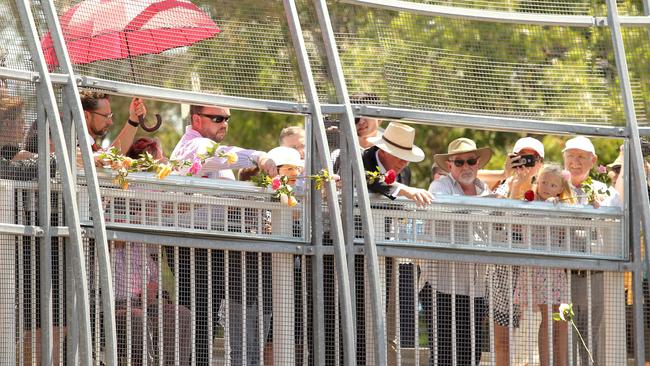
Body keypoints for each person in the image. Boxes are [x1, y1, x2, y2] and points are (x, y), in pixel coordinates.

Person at [426, 137, 493, 365]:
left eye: (471, 161)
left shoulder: (485, 189)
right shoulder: (440, 186)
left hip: (476, 285)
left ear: (478, 164)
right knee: (444, 355)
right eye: (459, 162)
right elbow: (446, 215)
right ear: (449, 166)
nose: (466, 167)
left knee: (471, 355)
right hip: (443, 284)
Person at [562, 136, 622, 365]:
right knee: (562, 335)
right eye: (570, 156)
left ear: (593, 160)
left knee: (593, 337)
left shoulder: (603, 191)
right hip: (561, 276)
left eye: (581, 157)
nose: (574, 162)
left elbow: (619, 218)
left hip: (593, 275)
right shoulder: (553, 185)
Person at [511, 164, 571, 366]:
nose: (546, 186)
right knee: (547, 318)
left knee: (563, 317)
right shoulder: (529, 201)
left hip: (557, 270)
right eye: (543, 181)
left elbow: (564, 232)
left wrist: (558, 207)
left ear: (560, 189)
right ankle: (546, 362)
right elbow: (515, 221)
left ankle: (562, 362)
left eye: (553, 184)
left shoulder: (562, 205)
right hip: (538, 268)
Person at [170, 104, 277, 179]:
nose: (224, 124)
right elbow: (219, 155)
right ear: (197, 120)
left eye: (227, 119)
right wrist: (259, 157)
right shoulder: (195, 144)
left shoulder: (193, 144)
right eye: (217, 119)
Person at [360, 122, 432, 205]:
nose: (404, 163)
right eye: (400, 156)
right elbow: (369, 179)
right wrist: (404, 190)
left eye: (407, 157)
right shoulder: (360, 160)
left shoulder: (405, 172)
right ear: (383, 150)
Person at [80, 91, 146, 156]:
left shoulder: (86, 146)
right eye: (106, 116)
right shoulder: (74, 144)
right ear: (86, 115)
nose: (110, 122)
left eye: (110, 115)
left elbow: (112, 155)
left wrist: (134, 119)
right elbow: (108, 157)